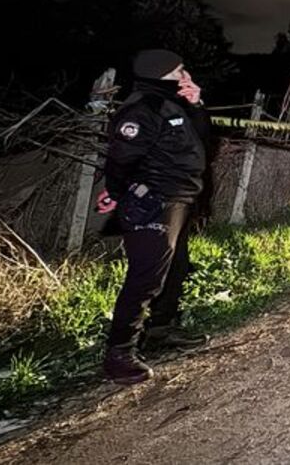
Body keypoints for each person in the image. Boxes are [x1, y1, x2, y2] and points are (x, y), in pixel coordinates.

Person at [95, 49, 211, 384]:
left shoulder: (174, 105)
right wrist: (115, 193)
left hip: (181, 198)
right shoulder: (142, 109)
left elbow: (203, 143)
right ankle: (120, 354)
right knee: (145, 277)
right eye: (180, 71)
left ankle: (161, 329)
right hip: (154, 201)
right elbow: (121, 158)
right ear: (161, 75)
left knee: (175, 267)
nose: (185, 76)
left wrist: (197, 105)